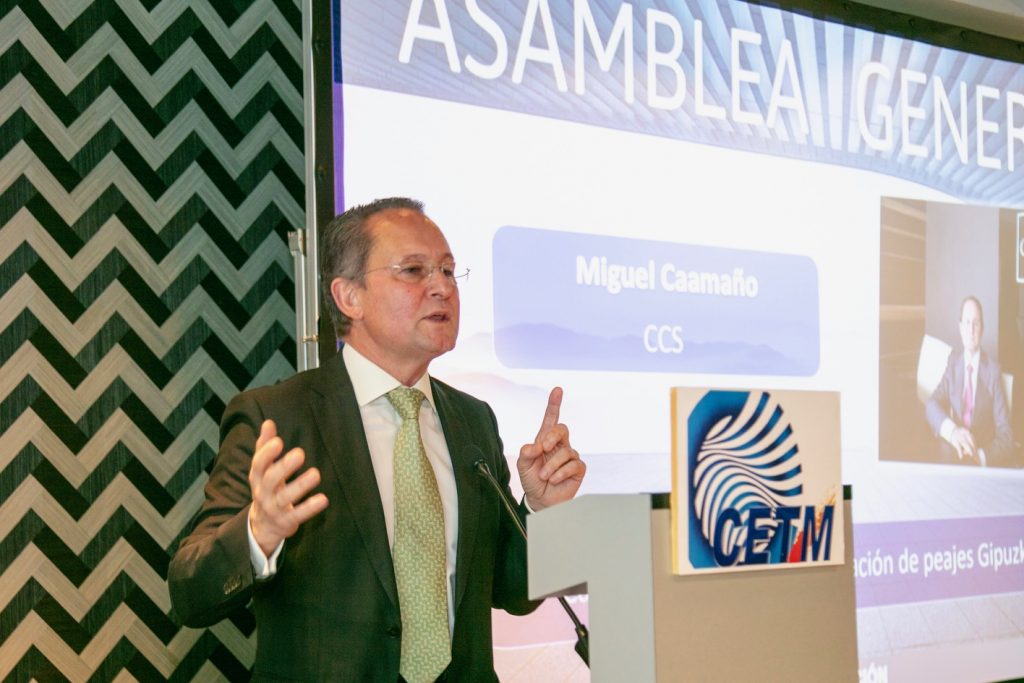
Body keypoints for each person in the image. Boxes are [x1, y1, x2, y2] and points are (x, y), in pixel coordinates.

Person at [168, 197, 586, 681]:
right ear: (350, 297)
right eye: (414, 270)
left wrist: (541, 512)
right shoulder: (277, 418)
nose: (442, 288)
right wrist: (257, 532)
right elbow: (189, 594)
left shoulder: (473, 421)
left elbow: (512, 593)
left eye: (449, 271)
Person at [925, 295, 1014, 467]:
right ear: (960, 327)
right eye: (966, 322)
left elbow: (1006, 435)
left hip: (980, 458)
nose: (971, 330)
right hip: (953, 453)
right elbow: (931, 404)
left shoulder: (993, 372)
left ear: (982, 329)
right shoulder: (953, 362)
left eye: (976, 323)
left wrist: (980, 458)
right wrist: (953, 432)